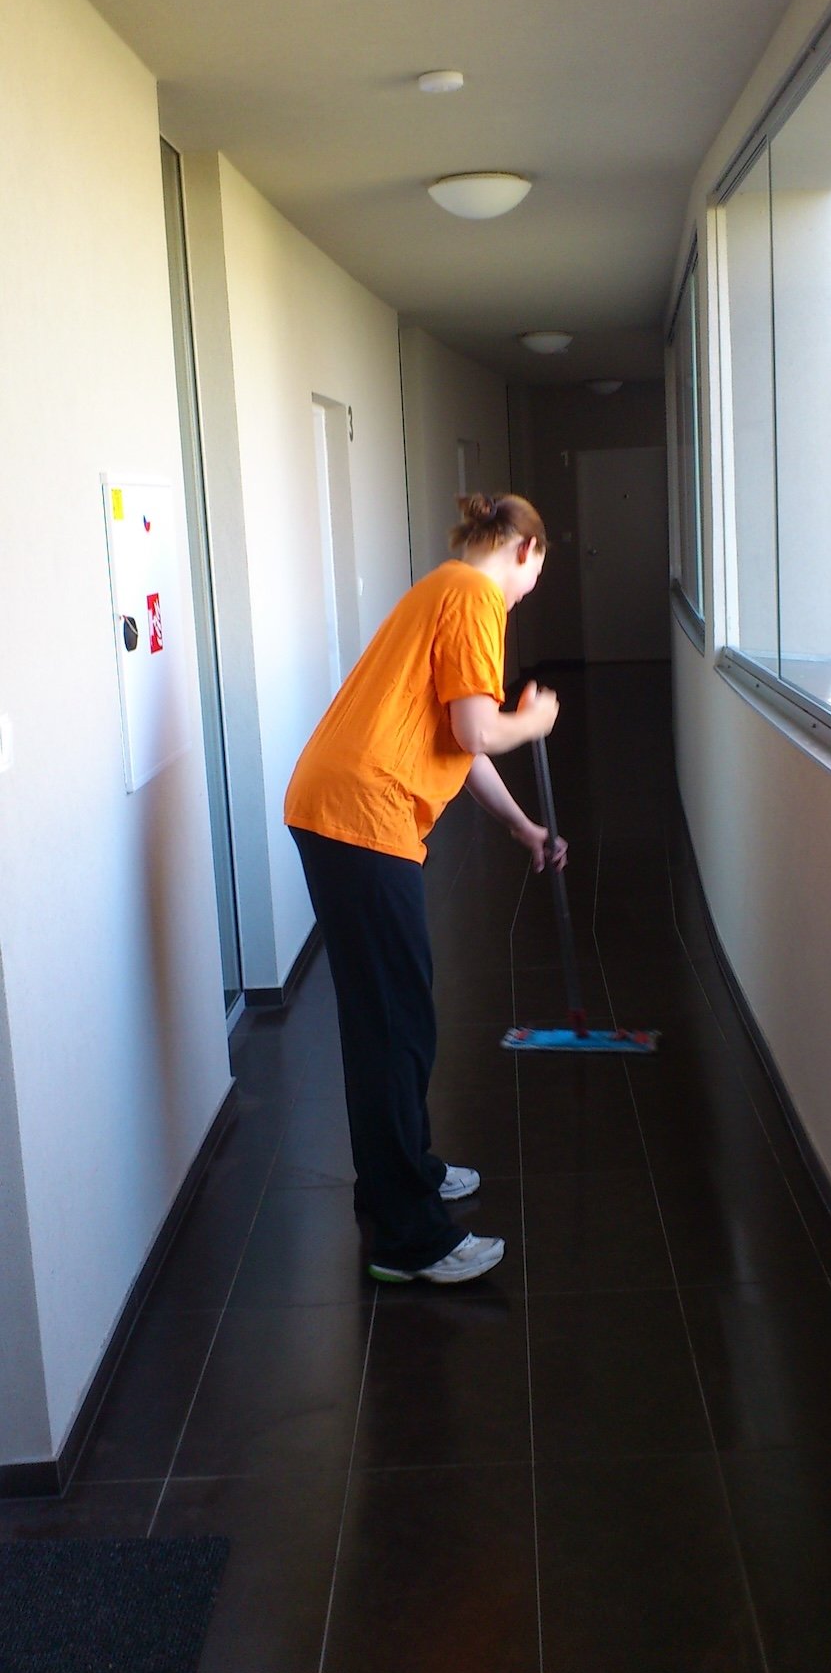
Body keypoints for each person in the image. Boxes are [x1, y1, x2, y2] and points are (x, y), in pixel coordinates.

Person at [284, 492, 564, 1286]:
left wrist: (521, 826)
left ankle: (401, 1176)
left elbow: (457, 744)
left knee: (387, 1017)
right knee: (395, 1024)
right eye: (537, 574)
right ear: (524, 550)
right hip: (360, 817)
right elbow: (480, 729)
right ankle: (410, 1240)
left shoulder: (444, 586)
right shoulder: (475, 595)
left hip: (340, 808)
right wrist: (533, 722)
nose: (528, 591)